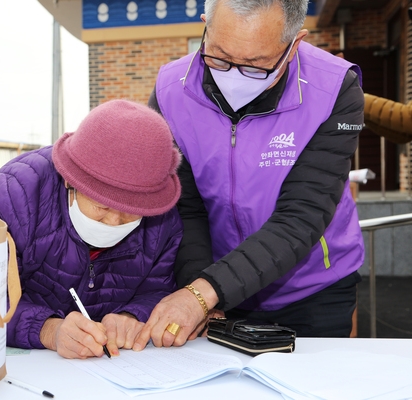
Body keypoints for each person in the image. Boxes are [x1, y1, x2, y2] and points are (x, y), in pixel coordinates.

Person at [133, 0, 365, 350]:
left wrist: (202, 293)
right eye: (219, 57)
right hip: (217, 282)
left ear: (294, 44)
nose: (233, 76)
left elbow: (300, 216)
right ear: (205, 26)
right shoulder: (170, 90)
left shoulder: (334, 89)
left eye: (256, 66)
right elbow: (186, 205)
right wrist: (200, 284)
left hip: (312, 287)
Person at [0, 99, 183, 359]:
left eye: (131, 210)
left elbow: (159, 289)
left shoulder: (160, 214)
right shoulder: (13, 196)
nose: (114, 221)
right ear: (70, 181)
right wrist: (47, 330)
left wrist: (131, 315)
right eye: (101, 206)